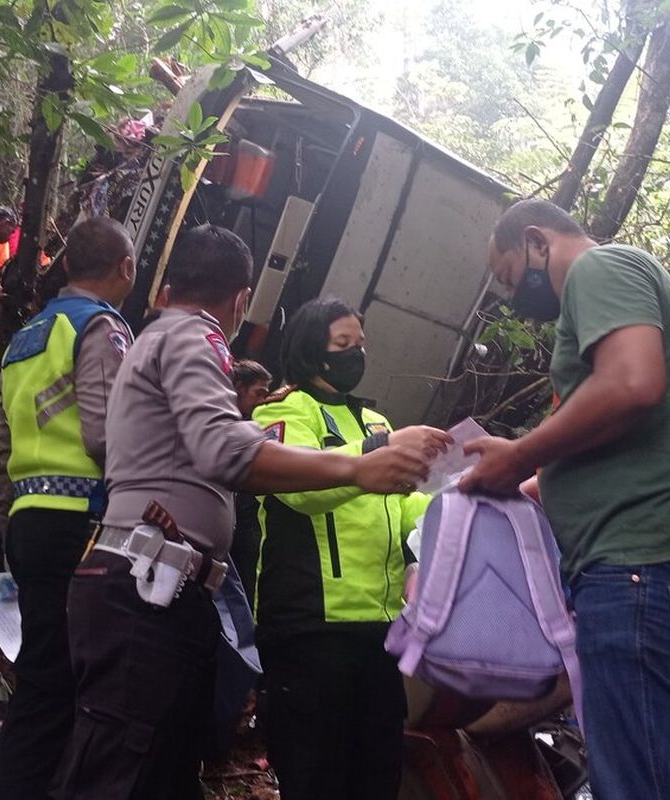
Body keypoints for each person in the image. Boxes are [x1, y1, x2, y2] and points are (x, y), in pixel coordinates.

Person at [53, 225, 433, 800]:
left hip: (160, 584)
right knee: (120, 774)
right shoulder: (194, 337)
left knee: (150, 769)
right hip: (156, 586)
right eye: (342, 343)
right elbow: (224, 451)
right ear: (239, 299)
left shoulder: (155, 340)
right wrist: (360, 466)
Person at [460, 199, 670, 800]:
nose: (512, 298)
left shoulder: (600, 268)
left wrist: (520, 455)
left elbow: (633, 384)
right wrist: (520, 481)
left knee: (643, 785)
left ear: (537, 241)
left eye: (510, 278)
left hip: (647, 563)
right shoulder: (596, 309)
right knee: (643, 776)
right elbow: (592, 433)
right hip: (643, 570)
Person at [251, 296, 450, 800]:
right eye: (344, 344)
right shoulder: (281, 410)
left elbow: (404, 507)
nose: (356, 354)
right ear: (313, 352)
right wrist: (378, 454)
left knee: (377, 775)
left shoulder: (378, 423)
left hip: (379, 631)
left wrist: (456, 505)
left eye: (360, 344)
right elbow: (300, 490)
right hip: (310, 628)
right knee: (317, 777)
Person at [0, 216, 137, 800]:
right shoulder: (100, 326)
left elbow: (3, 449)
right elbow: (107, 435)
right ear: (125, 269)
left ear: (69, 265)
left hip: (29, 518)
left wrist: (11, 527)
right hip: (80, 519)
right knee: (67, 684)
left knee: (41, 677)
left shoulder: (26, 335)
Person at [229, 358, 273, 608]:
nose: (262, 401)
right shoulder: (213, 422)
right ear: (238, 388)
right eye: (258, 393)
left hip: (247, 521)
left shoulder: (258, 426)